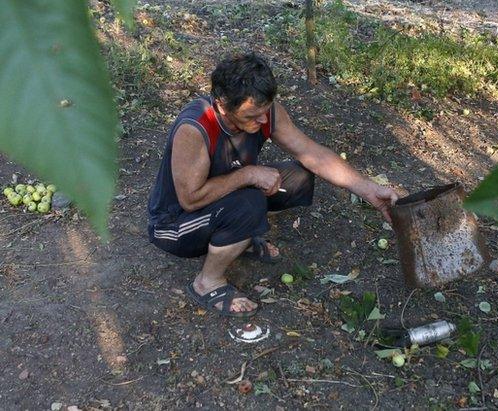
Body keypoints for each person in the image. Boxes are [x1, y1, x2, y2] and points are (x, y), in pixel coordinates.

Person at [148, 53, 399, 318]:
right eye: (254, 115)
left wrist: (368, 189)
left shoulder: (266, 112)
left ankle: (238, 238)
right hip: (175, 225)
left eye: (266, 111)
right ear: (223, 105)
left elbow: (312, 153)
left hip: (217, 204)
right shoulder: (197, 127)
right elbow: (190, 199)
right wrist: (248, 175)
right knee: (250, 203)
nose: (264, 121)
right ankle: (207, 282)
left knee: (298, 178)